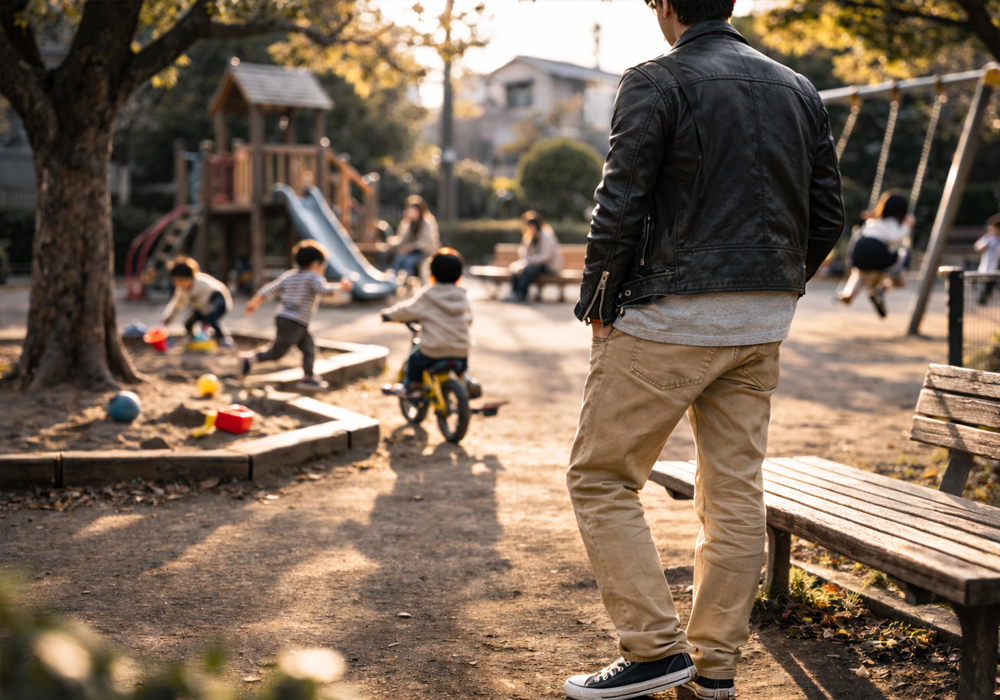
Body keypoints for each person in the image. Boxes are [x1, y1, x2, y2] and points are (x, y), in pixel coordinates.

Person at [562, 1, 844, 699]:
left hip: (668, 315)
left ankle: (655, 650)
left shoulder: (656, 80)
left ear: (664, 5)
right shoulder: (798, 88)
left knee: (601, 478)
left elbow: (620, 199)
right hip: (762, 321)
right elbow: (828, 210)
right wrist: (773, 287)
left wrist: (599, 300)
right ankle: (714, 666)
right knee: (734, 492)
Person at [240, 240, 353, 391]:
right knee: (277, 353)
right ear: (315, 264)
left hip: (287, 319)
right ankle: (249, 359)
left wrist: (255, 301)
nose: (322, 270)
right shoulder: (313, 277)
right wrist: (341, 287)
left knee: (309, 349)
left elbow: (271, 289)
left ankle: (308, 377)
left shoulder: (289, 276)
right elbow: (323, 290)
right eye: (322, 266)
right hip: (295, 321)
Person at [381, 248, 472, 398]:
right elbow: (469, 319)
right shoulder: (462, 296)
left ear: (432, 275)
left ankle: (414, 387)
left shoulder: (428, 295)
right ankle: (465, 380)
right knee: (462, 361)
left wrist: (388, 315)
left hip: (433, 351)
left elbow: (407, 310)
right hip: (461, 351)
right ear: (459, 277)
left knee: (414, 360)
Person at [837, 192, 915, 317]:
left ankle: (849, 293)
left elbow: (858, 234)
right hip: (877, 254)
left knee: (861, 274)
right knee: (901, 258)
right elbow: (893, 238)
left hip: (859, 253)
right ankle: (881, 289)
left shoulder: (872, 221)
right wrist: (907, 225)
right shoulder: (892, 222)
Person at [161, 256, 233, 348]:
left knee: (212, 319)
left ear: (190, 278)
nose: (179, 284)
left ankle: (223, 340)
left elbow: (217, 294)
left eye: (181, 280)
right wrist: (168, 318)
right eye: (176, 281)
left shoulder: (201, 282)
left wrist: (207, 314)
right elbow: (177, 306)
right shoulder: (182, 291)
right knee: (188, 324)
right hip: (201, 308)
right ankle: (194, 338)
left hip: (219, 302)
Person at [507, 211, 564, 302]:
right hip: (536, 264)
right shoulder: (530, 237)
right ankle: (515, 292)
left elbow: (546, 256)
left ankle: (522, 293)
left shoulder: (546, 236)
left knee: (529, 270)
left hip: (549, 266)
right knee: (516, 268)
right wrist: (527, 259)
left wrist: (530, 260)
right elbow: (525, 252)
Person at [389, 195, 441, 284]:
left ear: (419, 210)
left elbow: (427, 242)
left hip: (424, 253)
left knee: (408, 261)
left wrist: (411, 246)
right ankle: (392, 281)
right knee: (399, 258)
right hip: (411, 253)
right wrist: (392, 241)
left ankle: (407, 283)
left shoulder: (427, 222)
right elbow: (402, 239)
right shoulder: (407, 223)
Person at [974, 214, 1000, 305]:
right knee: (986, 284)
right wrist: (983, 247)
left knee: (990, 286)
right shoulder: (988, 238)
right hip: (987, 266)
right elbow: (978, 246)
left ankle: (984, 297)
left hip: (996, 267)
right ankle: (982, 298)